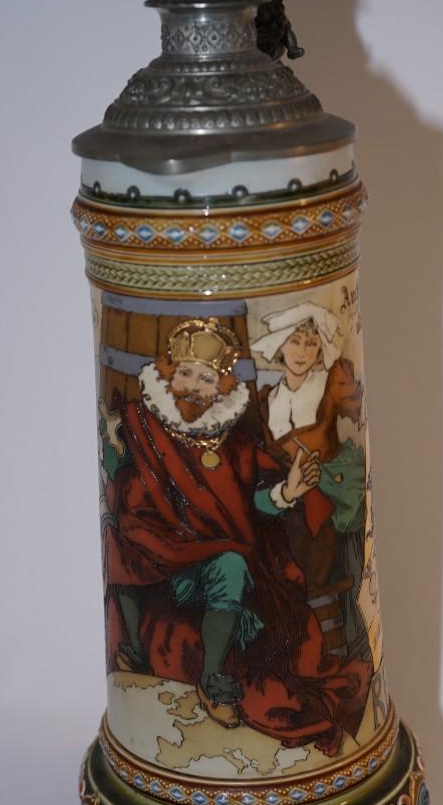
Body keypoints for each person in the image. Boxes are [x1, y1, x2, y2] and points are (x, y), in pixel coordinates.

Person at [100, 318, 369, 754]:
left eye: (205, 378)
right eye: (186, 373)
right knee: (128, 542)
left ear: (219, 388)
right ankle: (134, 647)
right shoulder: (144, 429)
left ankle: (213, 680)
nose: (193, 386)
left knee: (231, 564)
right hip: (161, 566)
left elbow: (251, 506)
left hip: (211, 568)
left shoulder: (234, 445)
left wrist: (286, 493)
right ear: (168, 377)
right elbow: (129, 504)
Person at [251, 302, 371, 658]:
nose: (302, 351)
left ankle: (332, 652)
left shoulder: (328, 383)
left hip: (327, 499)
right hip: (285, 500)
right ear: (280, 346)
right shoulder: (265, 401)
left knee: (311, 551)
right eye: (295, 341)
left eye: (311, 343)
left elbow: (356, 406)